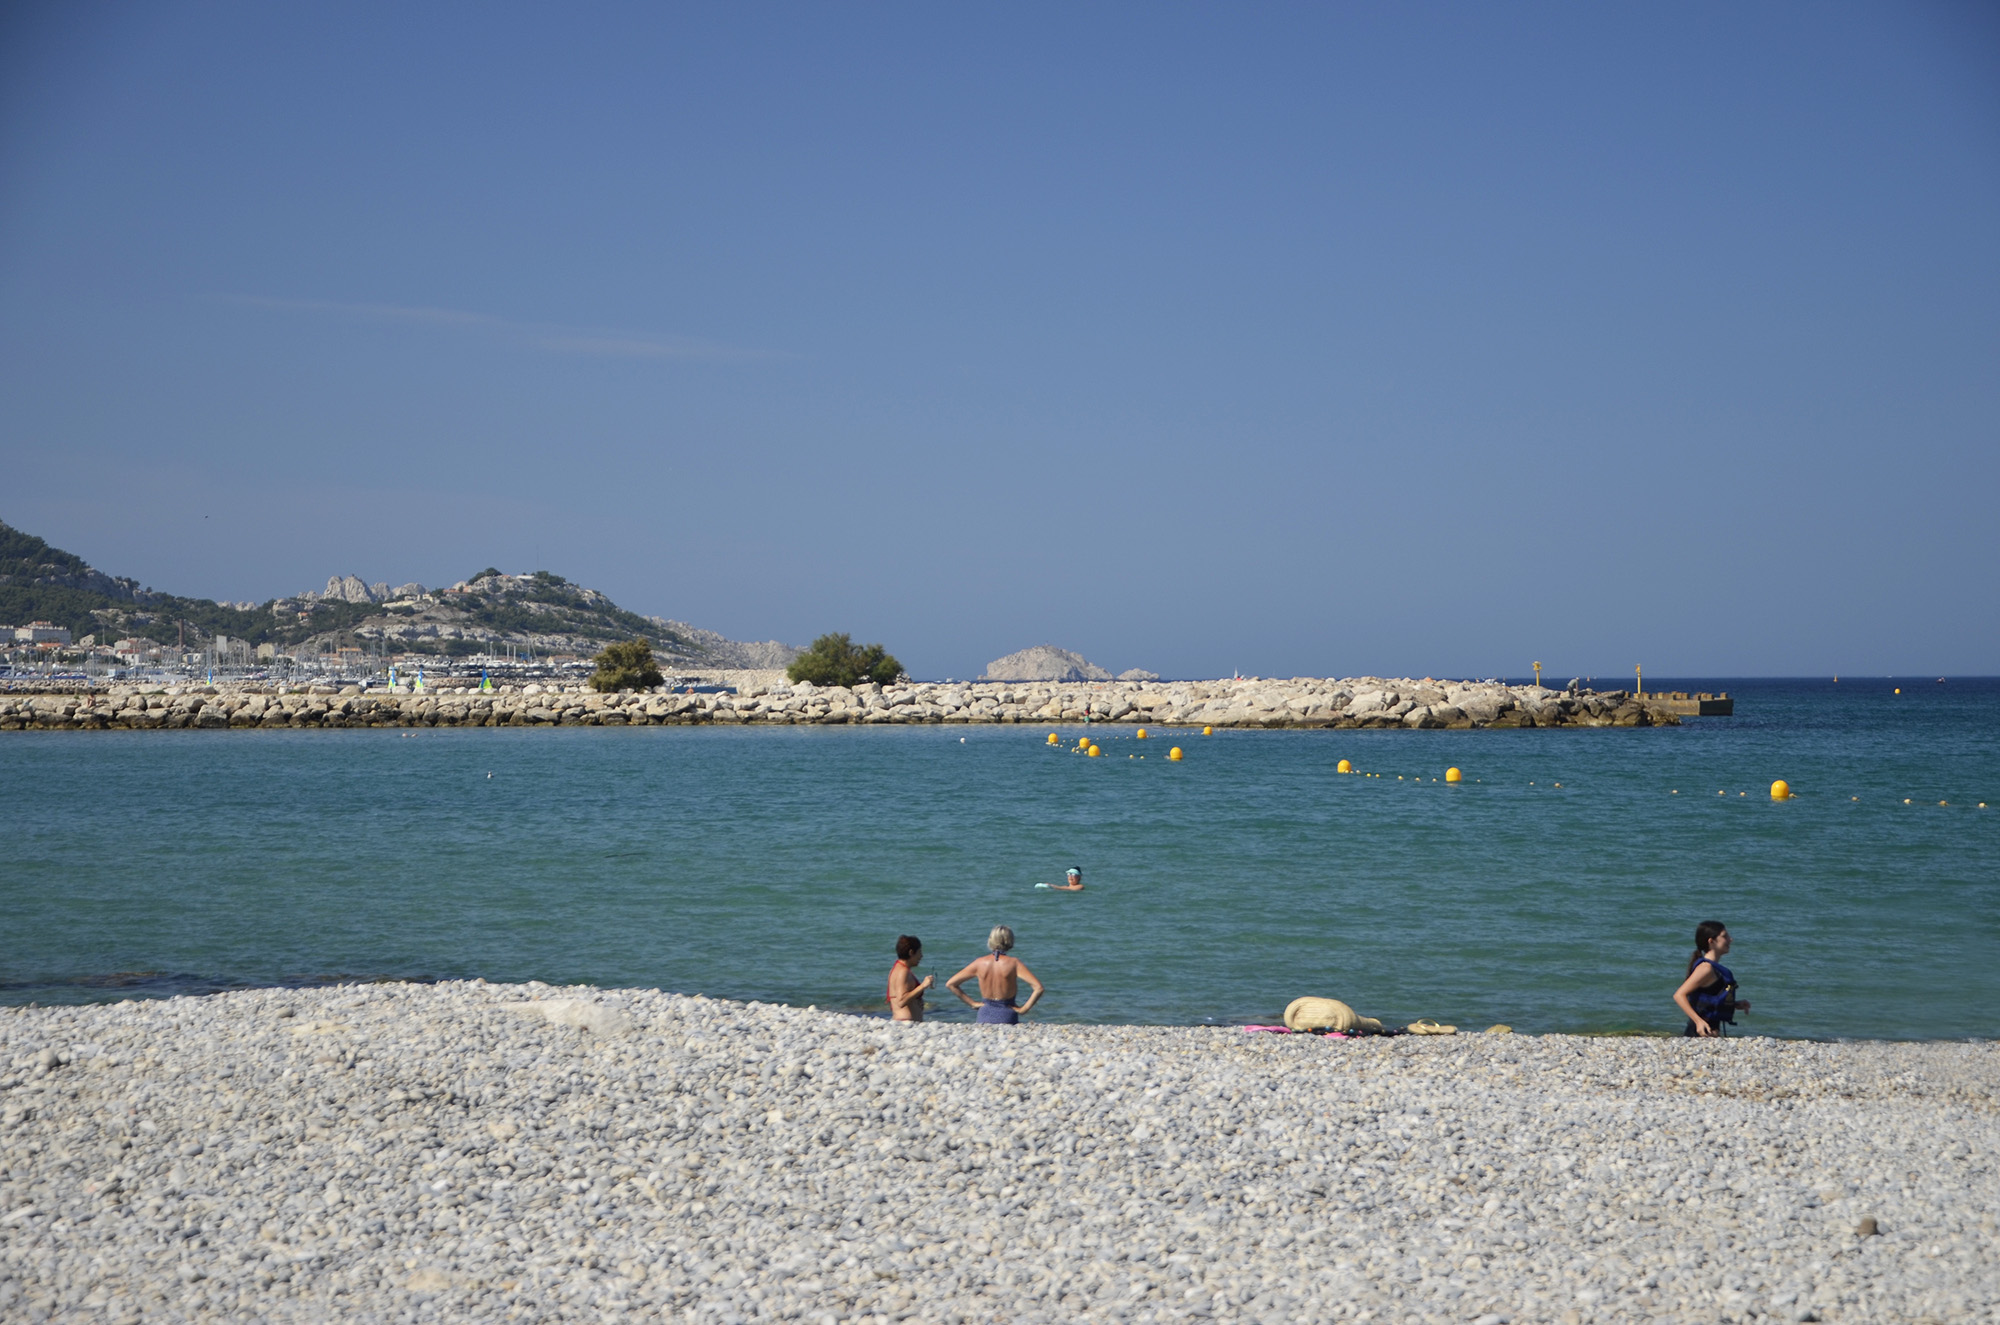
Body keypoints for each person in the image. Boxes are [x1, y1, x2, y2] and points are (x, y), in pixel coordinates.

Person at [946, 925, 1044, 1024]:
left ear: (991, 940)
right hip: (1007, 1014)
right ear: (1010, 941)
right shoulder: (1014, 963)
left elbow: (951, 984)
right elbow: (1038, 988)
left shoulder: (979, 962)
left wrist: (972, 1003)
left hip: (984, 1013)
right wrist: (1024, 1009)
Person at [1673, 920, 1751, 1037]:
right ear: (1711, 941)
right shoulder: (1706, 968)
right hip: (1699, 1033)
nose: (1730, 939)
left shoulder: (1713, 968)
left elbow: (1709, 998)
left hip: (1709, 1034)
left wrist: (1733, 1004)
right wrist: (1698, 1022)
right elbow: (1679, 995)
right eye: (1725, 936)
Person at [887, 935, 935, 1022]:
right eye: (919, 952)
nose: (921, 956)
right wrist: (923, 986)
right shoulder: (903, 972)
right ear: (911, 952)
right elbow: (901, 1001)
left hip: (906, 1022)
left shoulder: (899, 968)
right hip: (906, 1022)